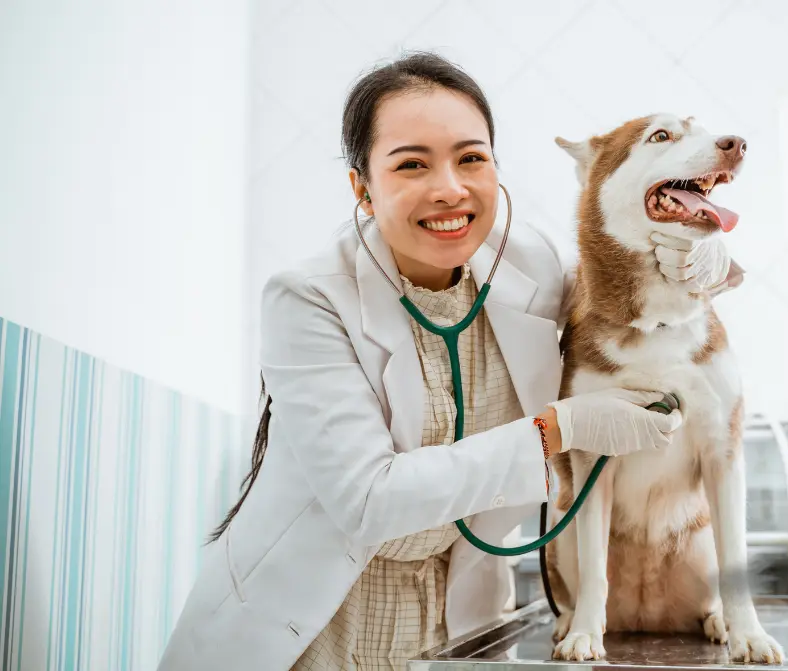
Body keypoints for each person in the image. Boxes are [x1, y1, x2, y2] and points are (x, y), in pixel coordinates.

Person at [157, 51, 741, 671]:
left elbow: (630, 294)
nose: (450, 189)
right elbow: (368, 502)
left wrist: (707, 260)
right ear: (363, 187)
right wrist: (558, 429)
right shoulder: (307, 299)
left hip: (458, 627)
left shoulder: (529, 266)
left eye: (471, 158)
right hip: (314, 626)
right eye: (412, 164)